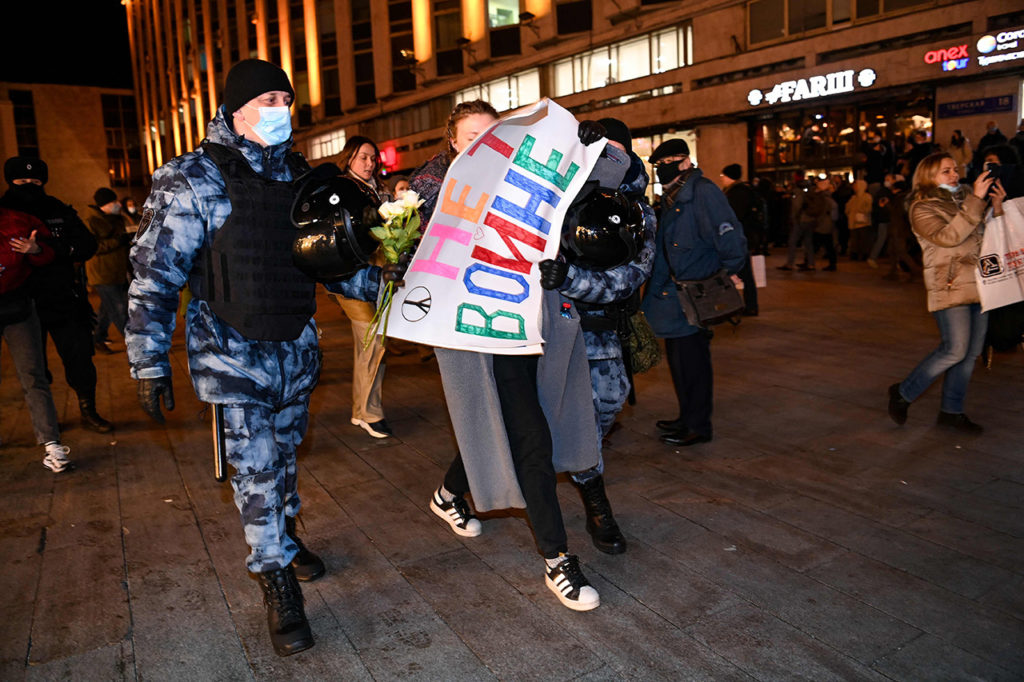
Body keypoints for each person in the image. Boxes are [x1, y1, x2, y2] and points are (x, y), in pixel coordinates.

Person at [126, 59, 382, 656]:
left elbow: (333, 263)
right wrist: (148, 359)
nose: (281, 111)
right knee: (258, 471)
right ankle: (275, 578)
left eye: (287, 100)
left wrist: (399, 287)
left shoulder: (299, 176)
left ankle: (285, 538)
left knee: (286, 460)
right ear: (237, 108)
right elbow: (154, 273)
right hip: (230, 354)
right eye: (269, 99)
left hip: (293, 349)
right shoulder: (194, 177)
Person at [409, 100, 618, 611]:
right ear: (454, 144)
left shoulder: (530, 180)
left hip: (527, 323)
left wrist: (593, 146)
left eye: (492, 133)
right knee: (528, 434)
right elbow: (409, 262)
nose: (483, 142)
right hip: (473, 335)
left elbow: (612, 175)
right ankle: (557, 557)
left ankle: (447, 493)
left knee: (504, 422)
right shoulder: (432, 194)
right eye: (471, 135)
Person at [543, 117, 656, 555]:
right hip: (549, 320)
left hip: (601, 325)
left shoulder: (637, 209)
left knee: (606, 403)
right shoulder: (566, 193)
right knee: (524, 409)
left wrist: (572, 279)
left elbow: (631, 275)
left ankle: (582, 471)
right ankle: (596, 505)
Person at [887, 153, 1004, 433]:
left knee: (970, 354)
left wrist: (996, 208)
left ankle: (952, 411)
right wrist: (976, 200)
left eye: (956, 169)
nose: (955, 175)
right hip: (950, 285)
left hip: (980, 282)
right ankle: (903, 393)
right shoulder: (921, 208)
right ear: (928, 176)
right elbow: (949, 238)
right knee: (954, 350)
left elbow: (987, 235)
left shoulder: (967, 197)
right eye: (946, 171)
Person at [643, 138, 747, 447]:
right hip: (675, 295)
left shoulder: (702, 192)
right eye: (659, 165)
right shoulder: (674, 196)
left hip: (695, 294)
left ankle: (699, 425)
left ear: (686, 161)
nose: (663, 169)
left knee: (694, 363)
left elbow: (730, 238)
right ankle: (686, 416)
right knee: (679, 362)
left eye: (669, 162)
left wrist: (721, 276)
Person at [0, 157, 110, 432]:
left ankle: (88, 409)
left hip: (62, 298)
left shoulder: (57, 209)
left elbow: (86, 245)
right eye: (21, 182)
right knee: (34, 367)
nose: (29, 187)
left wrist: (50, 249)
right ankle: (47, 421)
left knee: (79, 358)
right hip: (19, 304)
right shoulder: (3, 213)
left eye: (36, 182)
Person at [328, 135, 393, 439]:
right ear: (349, 157)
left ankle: (362, 409)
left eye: (372, 158)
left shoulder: (377, 190)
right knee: (372, 339)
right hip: (350, 278)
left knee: (372, 342)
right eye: (362, 157)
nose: (369, 163)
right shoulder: (343, 188)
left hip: (377, 276)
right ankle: (367, 412)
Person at [1, 207, 74, 472]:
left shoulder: (16, 220)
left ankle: (51, 444)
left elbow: (51, 251)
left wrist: (36, 251)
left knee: (33, 374)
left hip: (16, 304)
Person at [87, 187, 131, 351]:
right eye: (113, 202)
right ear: (104, 204)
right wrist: (118, 241)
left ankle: (97, 337)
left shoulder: (114, 218)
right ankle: (137, 345)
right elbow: (93, 246)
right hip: (103, 273)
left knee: (107, 308)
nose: (118, 204)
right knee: (120, 310)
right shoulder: (92, 220)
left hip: (117, 271)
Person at [720, 163, 765, 313]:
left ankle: (748, 306)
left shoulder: (737, 193)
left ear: (729, 177)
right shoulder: (737, 191)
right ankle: (747, 305)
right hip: (742, 237)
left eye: (723, 176)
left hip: (739, 238)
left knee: (742, 272)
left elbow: (734, 217)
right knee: (742, 272)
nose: (721, 179)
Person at [845, 179, 873, 261]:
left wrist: (859, 209)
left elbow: (868, 209)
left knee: (863, 239)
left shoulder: (867, 197)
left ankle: (864, 254)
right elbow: (847, 209)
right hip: (853, 222)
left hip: (863, 222)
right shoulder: (853, 198)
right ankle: (855, 254)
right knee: (855, 239)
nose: (854, 187)